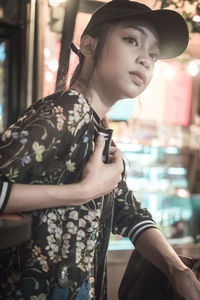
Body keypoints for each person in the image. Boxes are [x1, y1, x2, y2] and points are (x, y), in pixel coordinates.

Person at [0, 0, 199, 299]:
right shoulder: (66, 109)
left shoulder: (97, 128)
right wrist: (80, 192)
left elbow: (129, 213)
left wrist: (176, 270)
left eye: (154, 55)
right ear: (89, 45)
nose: (145, 59)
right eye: (132, 40)